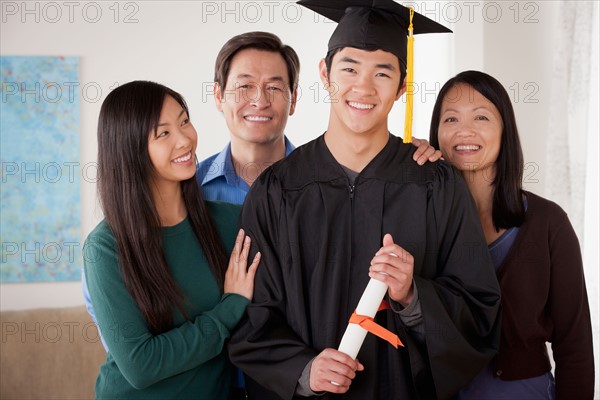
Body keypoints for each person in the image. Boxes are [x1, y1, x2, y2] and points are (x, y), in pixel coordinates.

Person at [228, 2, 502, 399]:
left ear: (402, 86)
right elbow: (251, 315)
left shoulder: (435, 185)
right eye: (350, 68)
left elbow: (479, 310)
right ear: (325, 74)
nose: (364, 88)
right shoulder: (277, 191)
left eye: (383, 73)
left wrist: (412, 296)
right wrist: (303, 369)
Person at [83, 80, 260, 399]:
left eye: (184, 121)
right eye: (163, 133)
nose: (185, 139)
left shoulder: (231, 221)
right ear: (130, 150)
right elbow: (140, 365)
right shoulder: (106, 247)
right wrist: (230, 306)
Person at [429, 70, 595, 399]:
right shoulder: (422, 220)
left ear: (505, 129)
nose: (465, 131)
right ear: (436, 133)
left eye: (481, 117)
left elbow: (574, 347)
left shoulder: (549, 223)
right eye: (450, 119)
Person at [196, 30, 440, 203]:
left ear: (294, 98)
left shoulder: (333, 181)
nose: (260, 101)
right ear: (218, 96)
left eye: (274, 88)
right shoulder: (189, 188)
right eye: (244, 87)